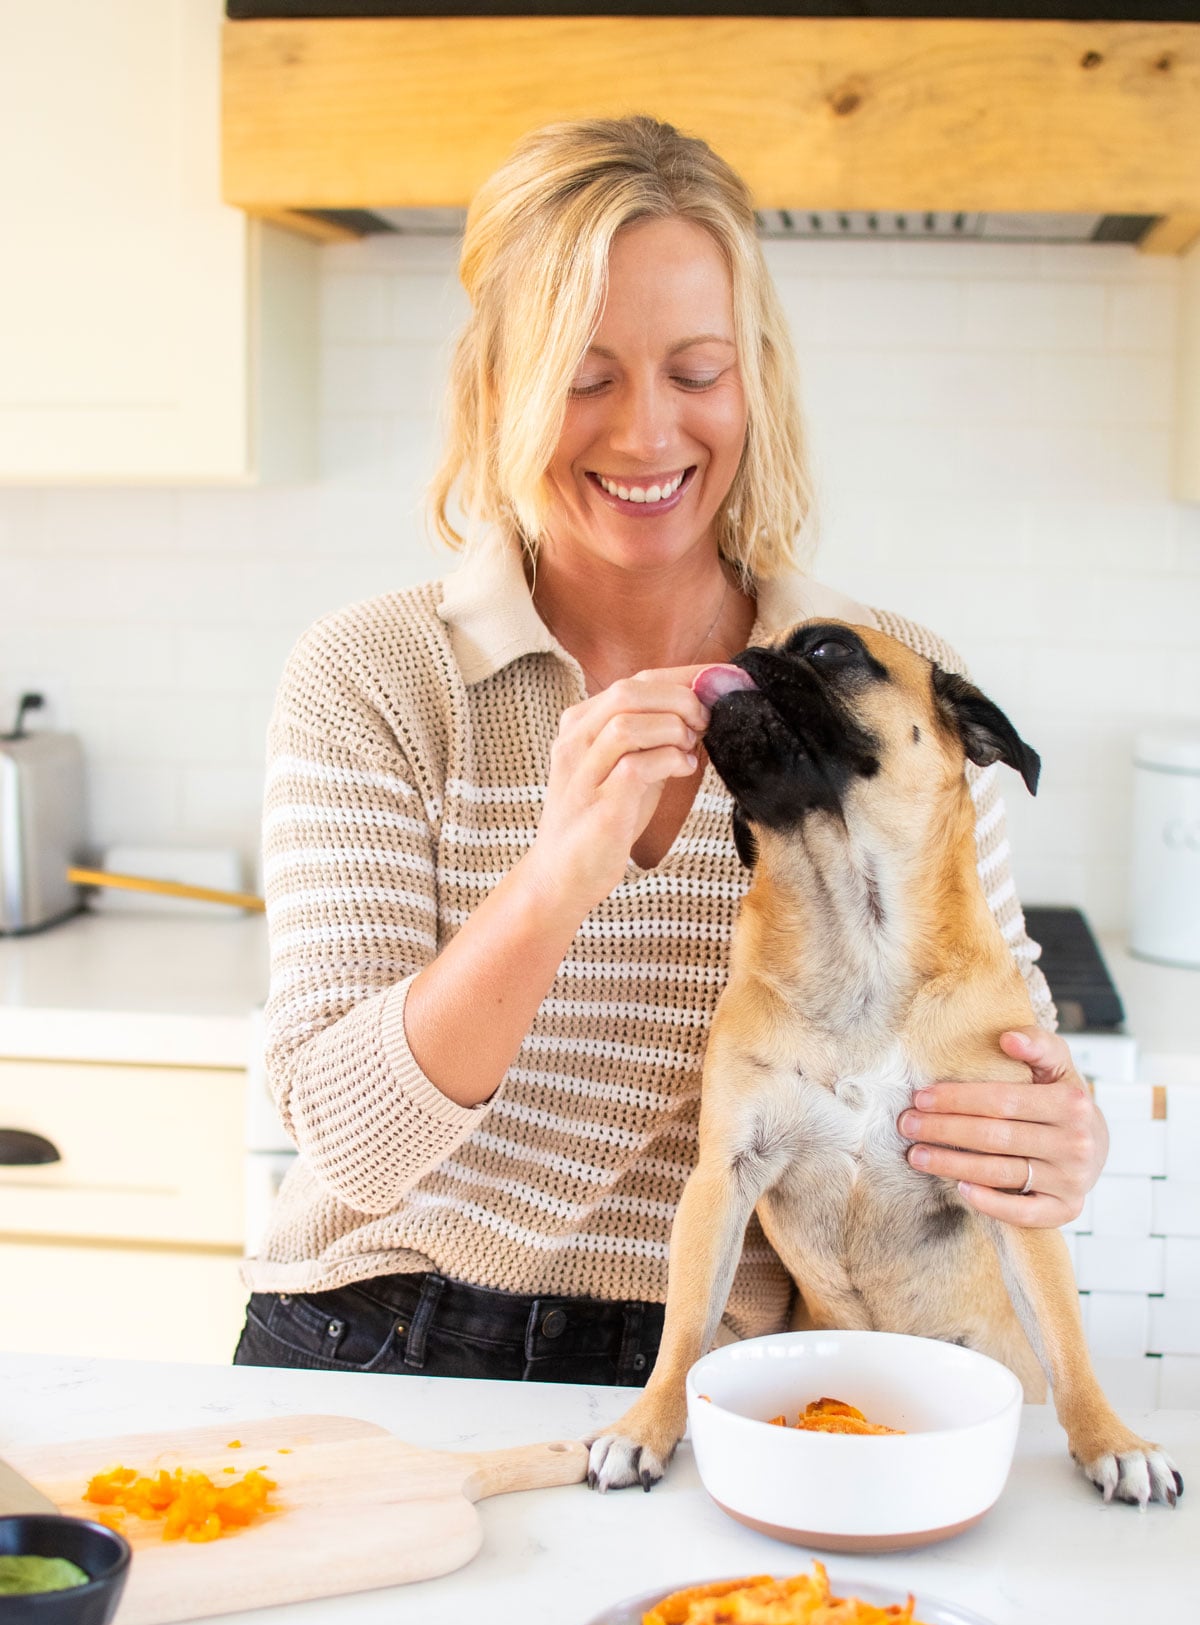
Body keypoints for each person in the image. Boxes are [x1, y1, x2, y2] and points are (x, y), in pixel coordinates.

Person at [234, 116, 1107, 1383]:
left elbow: (987, 1036)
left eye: (695, 373)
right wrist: (555, 879)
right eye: (586, 378)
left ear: (754, 382)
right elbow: (347, 1144)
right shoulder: (372, 678)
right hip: (379, 1330)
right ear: (499, 392)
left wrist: (1049, 1141)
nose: (648, 436)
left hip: (720, 1371)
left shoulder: (887, 694)